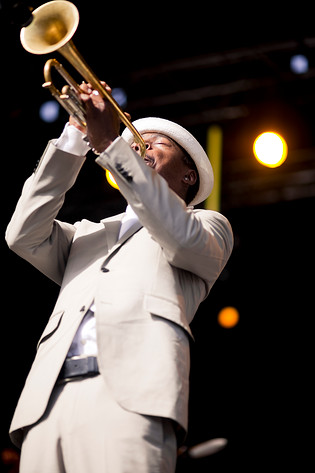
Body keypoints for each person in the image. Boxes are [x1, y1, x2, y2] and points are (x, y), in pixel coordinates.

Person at [5, 82, 233, 473]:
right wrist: (76, 134)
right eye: (136, 141)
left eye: (157, 143)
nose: (141, 146)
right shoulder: (87, 234)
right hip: (48, 402)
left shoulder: (209, 225)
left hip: (133, 397)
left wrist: (111, 141)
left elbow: (176, 234)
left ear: (189, 177)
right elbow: (22, 233)